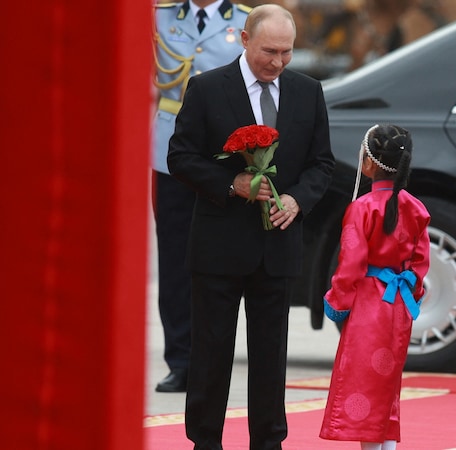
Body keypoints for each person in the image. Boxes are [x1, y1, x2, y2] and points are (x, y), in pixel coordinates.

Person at [167, 4, 335, 448]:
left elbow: (322, 164)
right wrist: (232, 184)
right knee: (211, 353)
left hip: (277, 244)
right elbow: (180, 158)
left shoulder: (307, 91)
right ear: (245, 41)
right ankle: (205, 440)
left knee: (269, 356)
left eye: (287, 52)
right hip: (219, 244)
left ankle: (268, 441)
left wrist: (298, 200)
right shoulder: (205, 89)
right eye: (269, 51)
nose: (278, 62)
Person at [152, 0, 252, 393]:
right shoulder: (159, 16)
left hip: (222, 156)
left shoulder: (246, 21)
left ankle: (212, 361)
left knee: (219, 259)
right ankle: (180, 359)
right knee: (174, 259)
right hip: (167, 153)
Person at [319, 124, 430, 450]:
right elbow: (421, 261)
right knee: (387, 384)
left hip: (370, 302)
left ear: (368, 164)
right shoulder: (415, 207)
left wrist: (337, 300)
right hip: (398, 304)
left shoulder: (362, 208)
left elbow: (350, 263)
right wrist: (414, 293)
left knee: (362, 383)